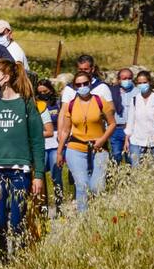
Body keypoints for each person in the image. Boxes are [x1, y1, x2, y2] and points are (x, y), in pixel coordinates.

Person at [0, 58, 44, 257]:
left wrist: (38, 174)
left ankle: (21, 258)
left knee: (18, 220)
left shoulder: (26, 103)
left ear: (6, 77)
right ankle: (2, 259)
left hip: (20, 171)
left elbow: (37, 140)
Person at [56, 69, 116, 213]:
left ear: (90, 83)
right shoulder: (70, 105)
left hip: (98, 148)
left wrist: (102, 140)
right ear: (75, 87)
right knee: (82, 185)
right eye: (79, 84)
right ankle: (83, 220)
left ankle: (99, 213)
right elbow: (65, 130)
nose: (82, 86)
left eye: (85, 83)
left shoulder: (100, 101)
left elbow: (112, 123)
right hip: (75, 148)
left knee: (97, 186)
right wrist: (59, 152)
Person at [124, 69, 154, 165]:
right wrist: (126, 140)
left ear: (149, 82)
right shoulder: (134, 100)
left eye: (144, 82)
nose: (142, 85)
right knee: (136, 169)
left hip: (153, 141)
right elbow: (130, 121)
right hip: (136, 141)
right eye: (139, 83)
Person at [34, 79, 63, 212]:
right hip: (41, 143)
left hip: (55, 143)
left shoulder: (57, 104)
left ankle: (59, 205)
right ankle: (43, 206)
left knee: (55, 175)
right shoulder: (36, 105)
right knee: (40, 176)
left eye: (45, 91)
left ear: (50, 90)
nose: (43, 94)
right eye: (40, 92)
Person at [110, 67, 135, 163]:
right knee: (116, 156)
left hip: (132, 129)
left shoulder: (137, 92)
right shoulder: (113, 92)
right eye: (124, 78)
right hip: (116, 129)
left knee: (130, 157)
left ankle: (130, 177)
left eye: (129, 78)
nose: (127, 81)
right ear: (119, 80)